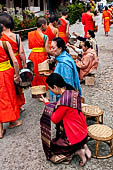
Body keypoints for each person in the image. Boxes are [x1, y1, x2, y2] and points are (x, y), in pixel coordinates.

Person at [40, 73, 91, 166]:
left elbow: (54, 119)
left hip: (75, 137)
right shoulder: (72, 91)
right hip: (83, 131)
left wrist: (47, 104)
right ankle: (84, 146)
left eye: (50, 89)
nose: (50, 91)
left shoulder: (63, 102)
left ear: (55, 87)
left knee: (53, 149)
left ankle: (78, 151)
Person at [0, 14, 26, 111]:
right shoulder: (16, 36)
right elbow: (21, 52)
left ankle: (13, 106)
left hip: (6, 63)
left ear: (1, 25)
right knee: (17, 84)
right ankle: (20, 105)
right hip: (16, 60)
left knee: (9, 87)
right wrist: (24, 63)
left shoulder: (1, 37)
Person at [0, 24, 22, 138]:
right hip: (6, 73)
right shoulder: (4, 43)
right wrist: (17, 75)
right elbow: (15, 61)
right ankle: (13, 121)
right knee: (9, 97)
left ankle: (0, 129)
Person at [28, 17, 51, 89]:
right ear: (43, 25)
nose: (47, 26)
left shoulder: (30, 34)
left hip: (32, 56)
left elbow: (30, 46)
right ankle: (42, 91)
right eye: (46, 24)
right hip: (41, 57)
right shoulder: (45, 37)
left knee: (34, 73)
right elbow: (47, 50)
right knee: (42, 73)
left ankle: (36, 90)